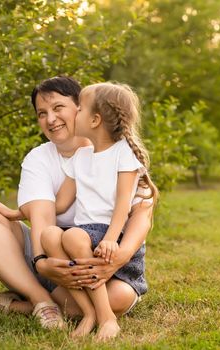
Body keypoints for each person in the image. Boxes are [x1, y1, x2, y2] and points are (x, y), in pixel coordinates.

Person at [0, 77, 153, 331]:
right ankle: (45, 301)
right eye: (42, 113)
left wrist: (118, 258)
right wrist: (39, 254)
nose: (50, 119)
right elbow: (51, 210)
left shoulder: (121, 152)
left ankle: (17, 305)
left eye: (58, 108)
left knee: (117, 296)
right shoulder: (50, 158)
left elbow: (139, 213)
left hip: (106, 252)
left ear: (83, 111)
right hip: (61, 256)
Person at [39, 82, 158, 340]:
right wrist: (18, 212)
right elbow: (59, 204)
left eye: (79, 109)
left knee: (72, 236)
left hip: (111, 240)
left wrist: (110, 239)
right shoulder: (81, 156)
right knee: (49, 235)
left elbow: (123, 205)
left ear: (94, 120)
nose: (75, 114)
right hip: (86, 235)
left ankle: (107, 318)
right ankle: (89, 313)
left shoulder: (122, 154)